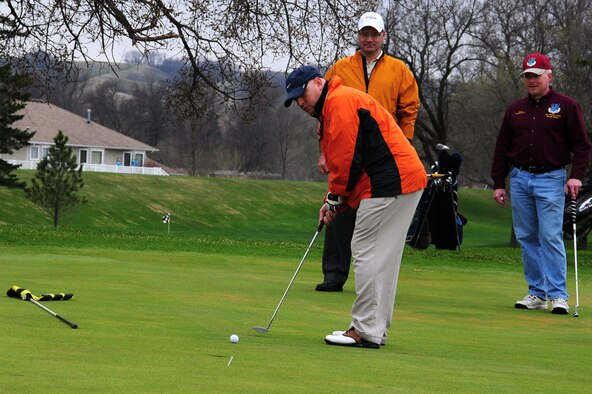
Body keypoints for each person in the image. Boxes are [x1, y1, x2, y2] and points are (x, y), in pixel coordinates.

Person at [284, 65, 426, 348]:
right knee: (380, 257)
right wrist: (332, 201)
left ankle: (365, 330)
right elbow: (348, 162)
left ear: (318, 82)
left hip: (390, 182)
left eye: (302, 94)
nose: (301, 102)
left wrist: (334, 199)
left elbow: (346, 160)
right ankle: (373, 329)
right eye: (295, 99)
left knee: (366, 251)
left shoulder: (339, 102)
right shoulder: (334, 105)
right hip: (398, 181)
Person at [315, 11, 420, 292]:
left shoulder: (399, 70)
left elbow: (409, 109)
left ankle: (374, 279)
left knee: (378, 215)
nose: (369, 39)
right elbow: (324, 114)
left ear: (384, 36)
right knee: (339, 207)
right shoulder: (340, 68)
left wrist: (406, 142)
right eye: (365, 34)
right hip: (347, 149)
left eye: (374, 34)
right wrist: (324, 151)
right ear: (358, 37)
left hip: (383, 154)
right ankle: (334, 275)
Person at [491, 52, 592, 314]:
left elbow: (582, 146)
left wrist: (576, 175)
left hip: (551, 177)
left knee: (550, 236)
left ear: (549, 76)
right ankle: (537, 293)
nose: (531, 80)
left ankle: (558, 295)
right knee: (527, 237)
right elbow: (502, 148)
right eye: (527, 76)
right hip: (520, 178)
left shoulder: (566, 106)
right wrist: (499, 182)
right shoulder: (515, 109)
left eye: (536, 76)